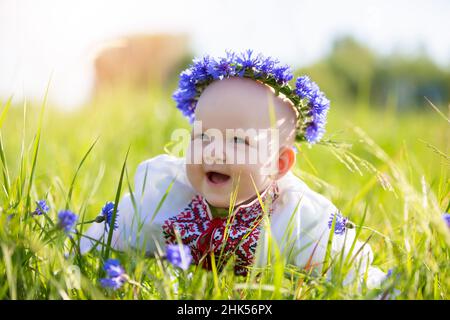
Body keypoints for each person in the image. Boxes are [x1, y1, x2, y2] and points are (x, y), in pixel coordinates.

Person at [81, 50, 386, 288]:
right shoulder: (167, 197)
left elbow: (348, 269)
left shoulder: (297, 220)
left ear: (279, 164)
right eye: (202, 136)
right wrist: (78, 256)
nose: (213, 151)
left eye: (239, 141)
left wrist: (375, 288)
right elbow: (111, 233)